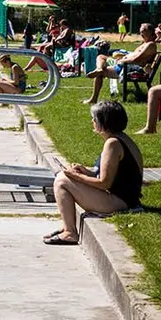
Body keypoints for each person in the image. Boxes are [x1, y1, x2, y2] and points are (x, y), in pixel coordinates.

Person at [43, 100, 144, 245]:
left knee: (62, 181)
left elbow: (104, 183)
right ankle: (67, 228)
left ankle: (70, 232)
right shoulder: (122, 139)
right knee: (63, 178)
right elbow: (113, 176)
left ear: (103, 122)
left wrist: (77, 176)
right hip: (126, 199)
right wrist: (86, 172)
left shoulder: (113, 144)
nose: (92, 121)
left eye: (94, 119)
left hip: (119, 203)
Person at [82, 23, 158, 105]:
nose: (141, 33)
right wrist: (123, 58)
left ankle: (94, 97)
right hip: (123, 65)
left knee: (101, 62)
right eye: (140, 31)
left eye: (143, 31)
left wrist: (123, 61)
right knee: (101, 57)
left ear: (150, 32)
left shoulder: (151, 45)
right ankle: (99, 69)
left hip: (127, 68)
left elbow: (136, 59)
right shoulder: (145, 43)